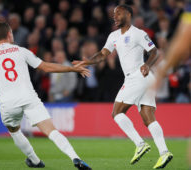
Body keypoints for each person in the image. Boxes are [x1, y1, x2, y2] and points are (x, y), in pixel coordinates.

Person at [0, 22, 92, 170]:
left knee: (14, 131)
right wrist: (71, 69)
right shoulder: (21, 51)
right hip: (28, 97)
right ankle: (75, 157)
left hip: (8, 103)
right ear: (9, 34)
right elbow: (46, 67)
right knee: (51, 130)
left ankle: (34, 160)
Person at [72, 5, 173, 169]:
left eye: (118, 13)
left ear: (128, 14)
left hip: (138, 76)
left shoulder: (138, 33)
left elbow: (154, 52)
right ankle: (164, 152)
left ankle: (140, 144)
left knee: (117, 112)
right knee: (148, 118)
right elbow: (103, 54)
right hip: (142, 79)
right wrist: (87, 61)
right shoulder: (113, 36)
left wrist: (147, 65)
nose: (115, 16)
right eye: (114, 14)